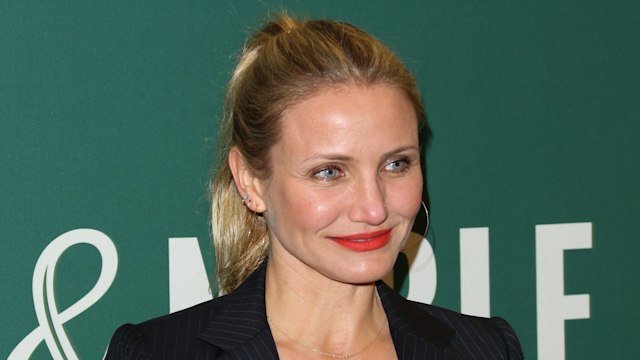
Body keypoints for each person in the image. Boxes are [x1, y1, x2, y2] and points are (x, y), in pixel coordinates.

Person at [106, 13, 524, 360]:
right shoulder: (158, 353)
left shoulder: (486, 349)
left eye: (396, 164)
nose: (374, 208)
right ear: (250, 181)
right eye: (329, 172)